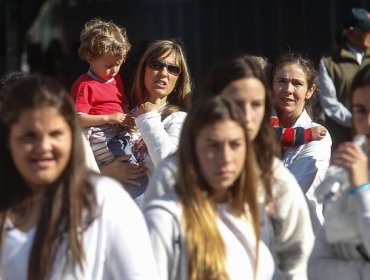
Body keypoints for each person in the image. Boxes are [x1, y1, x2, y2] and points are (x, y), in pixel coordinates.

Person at [143, 55, 314, 280]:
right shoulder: (174, 172)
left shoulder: (273, 176)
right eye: (235, 103)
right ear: (213, 103)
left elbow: (298, 256)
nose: (246, 115)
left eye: (256, 104)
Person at [0, 75, 159, 279]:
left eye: (55, 134)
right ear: (9, 139)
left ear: (72, 136)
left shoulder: (105, 200)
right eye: (29, 136)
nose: (43, 147)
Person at [144, 95, 275, 280]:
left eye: (235, 145)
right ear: (192, 149)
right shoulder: (164, 219)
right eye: (213, 145)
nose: (226, 157)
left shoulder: (250, 212)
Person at [308, 62, 370, 280]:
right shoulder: (347, 171)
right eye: (360, 111)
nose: (367, 122)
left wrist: (362, 188)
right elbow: (316, 266)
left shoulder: (357, 175)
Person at [270, 52, 332, 232]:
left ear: (310, 91)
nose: (288, 89)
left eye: (297, 83)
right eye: (281, 81)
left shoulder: (318, 135)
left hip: (304, 240)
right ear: (271, 86)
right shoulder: (260, 126)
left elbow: (292, 191)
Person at [125, 39, 192, 201]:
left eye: (173, 69)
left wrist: (148, 117)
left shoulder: (179, 120)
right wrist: (106, 170)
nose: (163, 73)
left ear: (178, 80)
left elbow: (172, 169)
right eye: (156, 64)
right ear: (143, 69)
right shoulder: (122, 114)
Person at [70, 18, 139, 175]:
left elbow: (122, 105)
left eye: (118, 64)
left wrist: (128, 118)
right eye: (108, 66)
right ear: (90, 57)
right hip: (100, 136)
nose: (114, 70)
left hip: (118, 132)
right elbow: (77, 119)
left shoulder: (116, 80)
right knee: (129, 168)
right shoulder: (84, 85)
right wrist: (109, 118)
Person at [317, 7, 370, 150]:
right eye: (366, 30)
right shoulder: (330, 62)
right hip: (342, 138)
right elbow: (329, 102)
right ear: (351, 31)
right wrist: (354, 120)